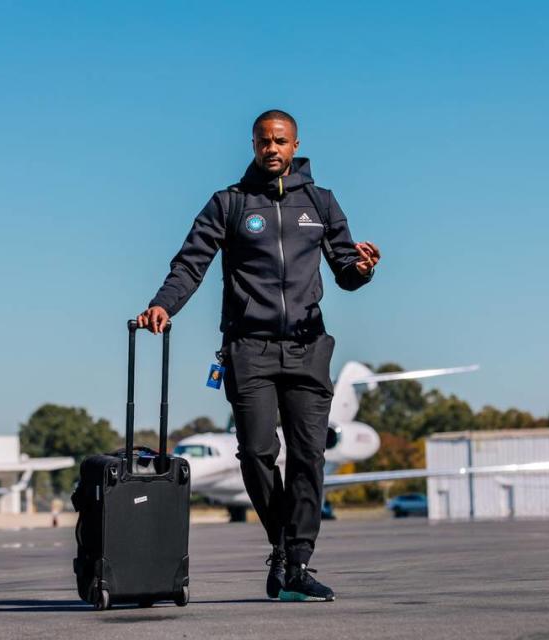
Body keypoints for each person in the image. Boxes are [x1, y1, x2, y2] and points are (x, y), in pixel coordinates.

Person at [136, 109, 380, 602]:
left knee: (309, 457)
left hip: (309, 347)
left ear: (295, 145)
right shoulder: (228, 204)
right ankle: (286, 551)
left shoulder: (322, 203)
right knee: (255, 452)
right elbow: (191, 263)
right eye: (264, 141)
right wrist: (164, 303)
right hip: (249, 348)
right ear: (253, 145)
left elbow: (345, 272)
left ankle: (297, 560)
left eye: (281, 141)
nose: (272, 148)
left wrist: (364, 268)